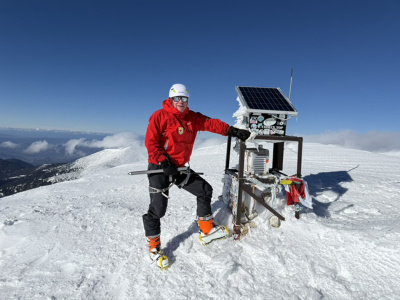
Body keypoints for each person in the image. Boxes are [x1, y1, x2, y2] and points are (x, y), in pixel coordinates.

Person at [143, 83, 250, 269]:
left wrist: (232, 131)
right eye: (177, 98)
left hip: (179, 168)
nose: (181, 102)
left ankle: (207, 230)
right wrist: (163, 160)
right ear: (171, 99)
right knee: (158, 210)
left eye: (184, 98)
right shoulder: (159, 116)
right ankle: (154, 248)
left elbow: (211, 124)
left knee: (204, 190)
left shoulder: (192, 118)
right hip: (159, 167)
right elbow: (151, 142)